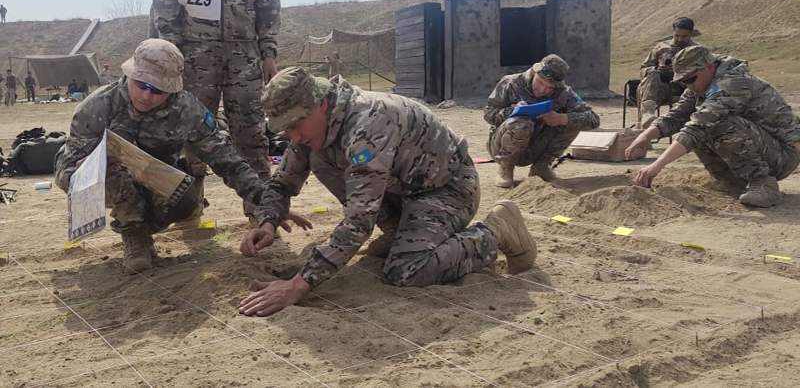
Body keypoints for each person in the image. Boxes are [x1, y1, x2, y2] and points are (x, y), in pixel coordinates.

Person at [236, 67, 538, 317]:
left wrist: (298, 284)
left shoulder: (367, 125)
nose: (293, 136)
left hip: (447, 188)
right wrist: (268, 221)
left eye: (296, 124)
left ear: (322, 104)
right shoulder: (315, 126)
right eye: (286, 129)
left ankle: (497, 229)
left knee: (406, 270)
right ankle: (400, 232)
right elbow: (282, 182)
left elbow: (359, 221)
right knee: (319, 158)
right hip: (404, 190)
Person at [54, 39, 309, 274]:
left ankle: (153, 219)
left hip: (158, 177)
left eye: (158, 90)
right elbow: (69, 166)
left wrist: (268, 204)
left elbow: (227, 160)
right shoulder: (97, 107)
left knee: (184, 200)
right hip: (109, 179)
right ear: (130, 75)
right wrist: (89, 168)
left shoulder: (187, 110)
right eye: (141, 85)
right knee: (109, 171)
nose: (146, 96)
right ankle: (135, 236)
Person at [151, 0, 281, 199]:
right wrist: (171, 47)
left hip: (245, 58)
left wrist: (268, 52)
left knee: (251, 132)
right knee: (191, 131)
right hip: (193, 56)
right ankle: (191, 202)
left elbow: (268, 4)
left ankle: (262, 206)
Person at [626, 45, 800, 208]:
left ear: (708, 67)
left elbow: (699, 125)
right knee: (698, 127)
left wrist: (657, 165)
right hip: (763, 149)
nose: (688, 85)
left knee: (717, 125)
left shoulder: (733, 83)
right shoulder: (701, 84)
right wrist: (645, 136)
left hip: (783, 154)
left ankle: (763, 184)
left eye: (690, 79)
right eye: (684, 81)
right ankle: (732, 182)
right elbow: (677, 115)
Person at [484, 54, 600, 188]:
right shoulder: (510, 83)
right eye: (540, 82)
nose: (542, 89)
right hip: (501, 146)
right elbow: (488, 113)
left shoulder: (564, 93)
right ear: (534, 73)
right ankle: (506, 168)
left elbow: (593, 119)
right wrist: (512, 111)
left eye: (550, 87)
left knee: (571, 122)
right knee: (521, 124)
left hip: (537, 147)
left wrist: (561, 118)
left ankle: (541, 167)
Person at [637, 17, 698, 128]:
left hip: (683, 89)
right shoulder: (661, 47)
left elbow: (704, 74)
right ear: (673, 32)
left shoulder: (697, 50)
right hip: (660, 87)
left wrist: (680, 74)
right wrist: (657, 69)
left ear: (691, 34)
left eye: (684, 36)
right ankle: (647, 115)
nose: (680, 39)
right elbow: (643, 68)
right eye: (677, 35)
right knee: (652, 74)